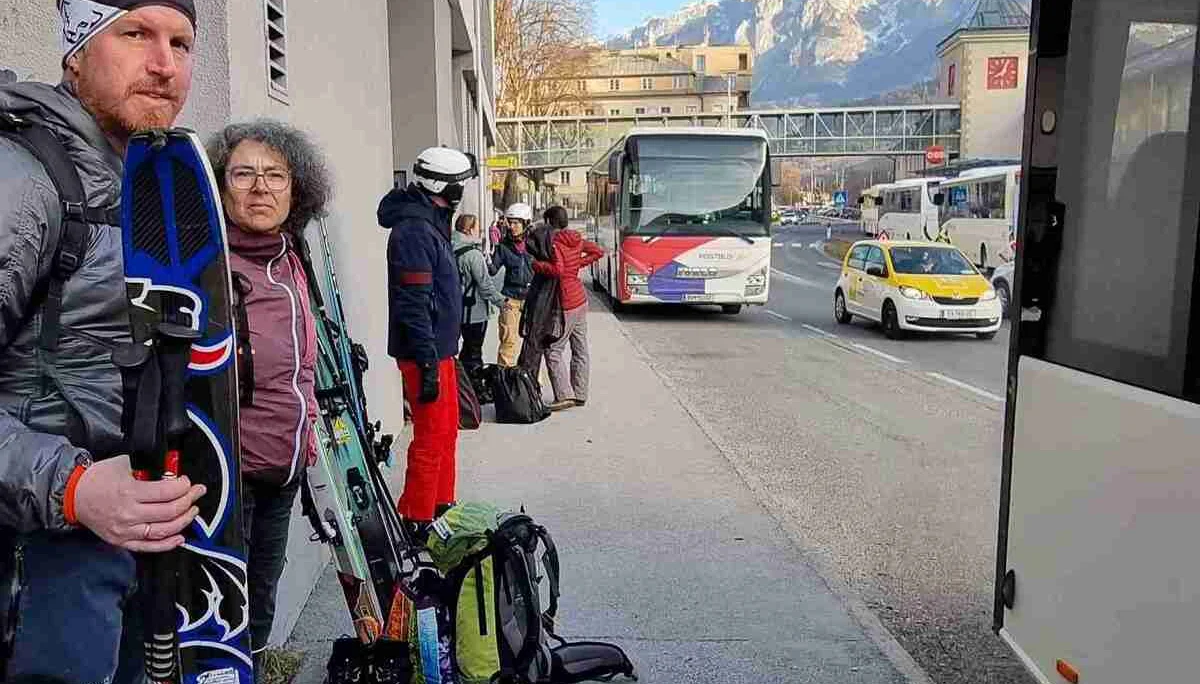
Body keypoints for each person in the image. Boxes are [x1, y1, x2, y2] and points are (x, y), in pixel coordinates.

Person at [0, 2, 207, 682]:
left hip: (122, 548)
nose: (164, 64)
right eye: (135, 34)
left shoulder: (145, 180)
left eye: (181, 43)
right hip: (38, 560)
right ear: (76, 52)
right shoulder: (22, 182)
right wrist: (75, 488)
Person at [206, 119, 332, 666]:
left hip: (285, 468)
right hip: (227, 480)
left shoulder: (290, 259)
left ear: (295, 189)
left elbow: (299, 364)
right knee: (219, 619)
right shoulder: (206, 265)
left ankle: (255, 667)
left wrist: (308, 433)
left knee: (261, 605)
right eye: (244, 174)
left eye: (275, 175)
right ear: (220, 185)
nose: (261, 187)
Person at [378, 146, 478, 538]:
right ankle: (417, 517)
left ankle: (441, 504)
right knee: (430, 436)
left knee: (448, 429)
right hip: (425, 352)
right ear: (442, 188)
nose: (461, 192)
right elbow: (413, 303)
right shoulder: (413, 231)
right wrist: (426, 362)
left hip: (441, 349)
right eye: (458, 186)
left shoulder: (433, 220)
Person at [532, 206, 605, 411]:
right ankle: (580, 393)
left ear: (550, 222)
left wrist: (537, 265)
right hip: (580, 299)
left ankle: (564, 395)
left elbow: (558, 270)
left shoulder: (555, 242)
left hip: (564, 301)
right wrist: (578, 264)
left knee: (553, 350)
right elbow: (598, 252)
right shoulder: (576, 238)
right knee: (580, 348)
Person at [452, 214, 505, 378]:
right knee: (474, 353)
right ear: (469, 230)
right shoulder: (473, 255)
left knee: (466, 350)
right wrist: (502, 301)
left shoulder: (450, 248)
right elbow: (485, 285)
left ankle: (463, 381)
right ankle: (472, 385)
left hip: (458, 308)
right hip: (475, 311)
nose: (479, 230)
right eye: (476, 227)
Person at [490, 203, 536, 367]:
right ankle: (504, 377)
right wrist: (488, 255)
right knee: (508, 342)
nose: (512, 226)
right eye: (510, 222)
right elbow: (492, 270)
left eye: (516, 223)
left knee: (533, 343)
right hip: (511, 299)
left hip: (532, 299)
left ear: (526, 224)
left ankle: (530, 378)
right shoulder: (504, 246)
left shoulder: (534, 245)